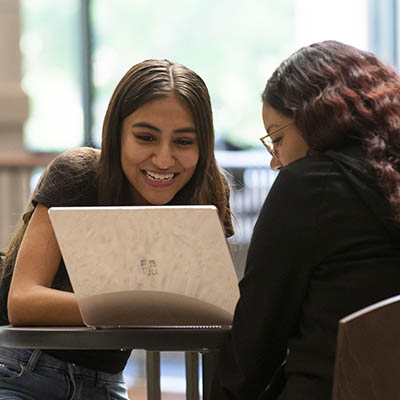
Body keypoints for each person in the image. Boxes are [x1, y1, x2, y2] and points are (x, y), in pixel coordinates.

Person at [0, 59, 233, 399]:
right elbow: (22, 301)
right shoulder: (77, 173)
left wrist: (139, 309)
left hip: (105, 383)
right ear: (116, 134)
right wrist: (139, 307)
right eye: (145, 137)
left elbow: (211, 306)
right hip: (22, 371)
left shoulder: (208, 192)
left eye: (183, 142)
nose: (164, 159)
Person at [211, 40, 400, 399]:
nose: (275, 160)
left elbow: (255, 341)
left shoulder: (311, 185)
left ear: (316, 117)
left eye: (277, 139)